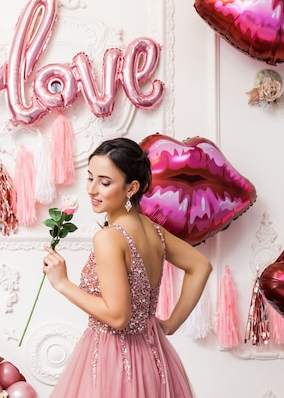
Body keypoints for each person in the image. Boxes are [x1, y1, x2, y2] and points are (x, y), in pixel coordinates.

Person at [43, 137, 213, 398]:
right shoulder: (153, 230)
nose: (91, 189)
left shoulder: (109, 237)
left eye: (105, 182)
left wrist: (63, 284)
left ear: (131, 187)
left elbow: (118, 317)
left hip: (114, 361)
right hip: (152, 358)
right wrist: (169, 325)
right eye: (90, 178)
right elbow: (200, 266)